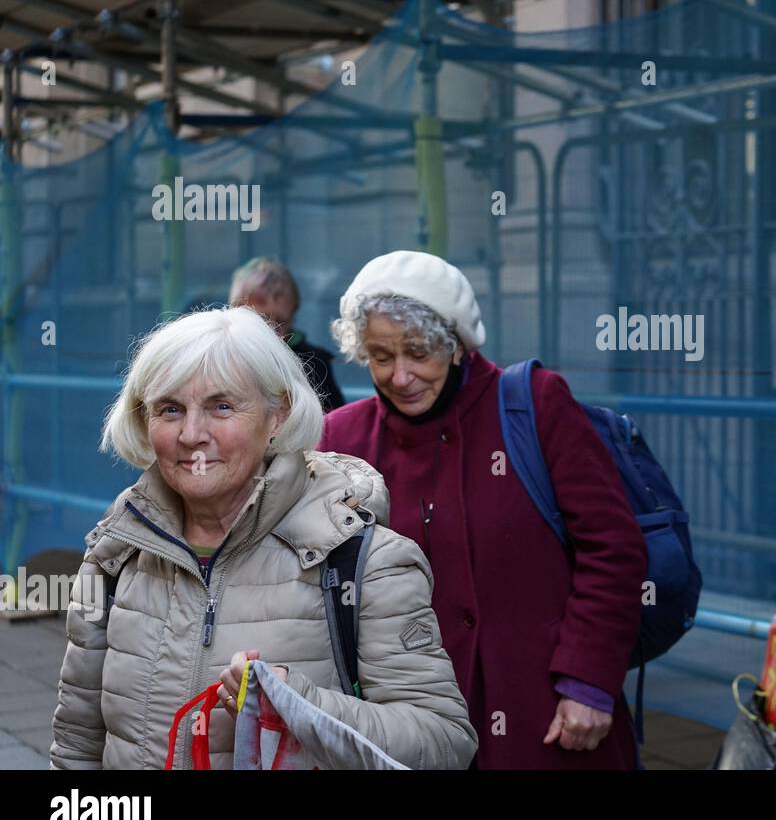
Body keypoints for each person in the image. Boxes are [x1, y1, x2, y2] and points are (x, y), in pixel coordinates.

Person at [50, 306, 477, 769]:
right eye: (170, 409)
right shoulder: (115, 552)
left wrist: (299, 706)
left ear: (279, 415)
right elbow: (77, 743)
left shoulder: (366, 562)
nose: (192, 434)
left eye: (222, 406)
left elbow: (444, 743)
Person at [318, 251, 647, 769]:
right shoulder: (342, 435)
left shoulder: (534, 405)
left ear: (456, 346)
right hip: (405, 722)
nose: (401, 376)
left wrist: (588, 680)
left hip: (544, 711)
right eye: (381, 356)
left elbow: (614, 547)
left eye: (418, 351)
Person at [230, 257, 345, 412]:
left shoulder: (313, 363)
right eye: (260, 321)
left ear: (293, 316)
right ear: (236, 313)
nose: (271, 332)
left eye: (280, 323)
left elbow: (333, 423)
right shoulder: (221, 357)